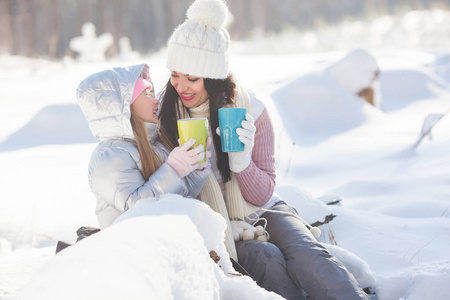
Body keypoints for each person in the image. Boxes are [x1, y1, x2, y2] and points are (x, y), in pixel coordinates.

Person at [158, 0, 370, 299]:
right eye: (174, 75)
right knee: (265, 259)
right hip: (213, 221)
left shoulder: (251, 109)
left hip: (263, 207)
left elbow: (262, 193)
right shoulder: (163, 115)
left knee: (310, 257)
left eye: (192, 78)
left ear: (214, 75)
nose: (181, 86)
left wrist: (241, 162)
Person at [76, 63, 210, 229]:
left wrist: (194, 169)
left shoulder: (152, 144)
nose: (156, 100)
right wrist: (174, 169)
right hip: (130, 250)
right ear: (123, 105)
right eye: (147, 94)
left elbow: (181, 195)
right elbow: (137, 210)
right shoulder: (109, 156)